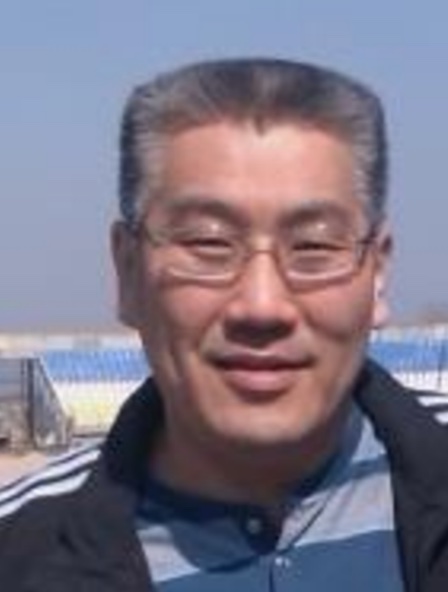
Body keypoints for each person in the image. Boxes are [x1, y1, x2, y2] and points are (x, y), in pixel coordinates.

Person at [1, 58, 448, 592]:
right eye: (208, 243)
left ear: (377, 273)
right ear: (128, 272)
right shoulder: (20, 553)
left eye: (313, 246)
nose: (261, 306)